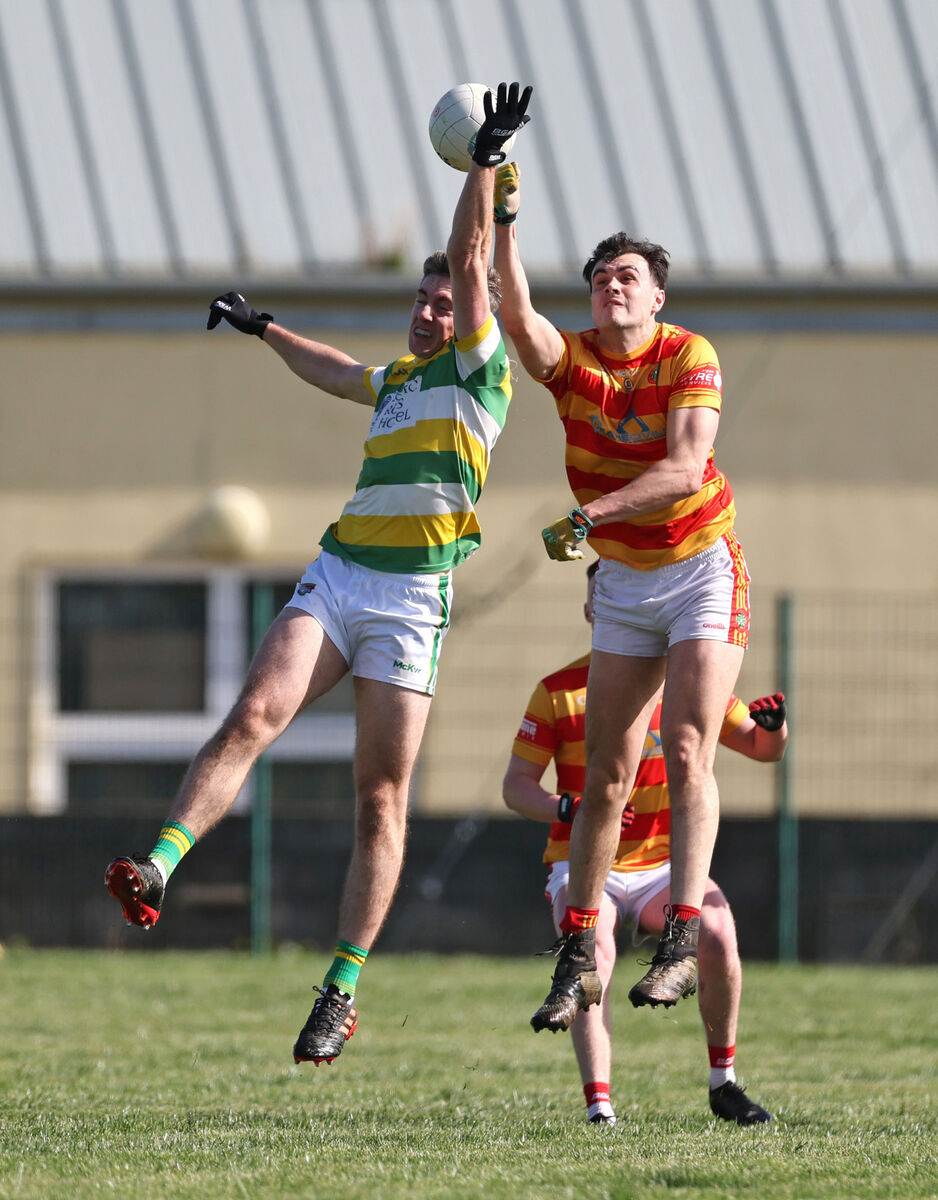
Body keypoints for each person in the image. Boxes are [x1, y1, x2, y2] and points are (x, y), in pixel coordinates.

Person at [104, 83, 533, 1066]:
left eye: (442, 300)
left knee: (378, 798)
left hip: (412, 603)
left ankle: (339, 989)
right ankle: (158, 868)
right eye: (418, 299)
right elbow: (337, 370)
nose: (431, 307)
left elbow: (474, 264)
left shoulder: (480, 372)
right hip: (341, 577)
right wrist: (264, 331)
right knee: (254, 713)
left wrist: (484, 164)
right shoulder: (393, 382)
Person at [492, 165, 750, 1029]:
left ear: (658, 295)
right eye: (601, 278)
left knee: (685, 746)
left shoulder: (689, 355)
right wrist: (503, 212)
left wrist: (589, 513)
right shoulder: (574, 363)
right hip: (626, 581)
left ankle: (681, 933)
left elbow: (683, 468)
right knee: (604, 775)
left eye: (627, 276)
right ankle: (579, 951)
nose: (611, 286)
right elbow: (518, 319)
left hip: (700, 565)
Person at [503, 561, 787, 1126]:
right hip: (586, 868)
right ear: (597, 610)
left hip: (662, 868)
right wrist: (568, 807)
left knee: (718, 928)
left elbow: (763, 749)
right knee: (596, 950)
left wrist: (776, 726)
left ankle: (723, 1083)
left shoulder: (694, 685)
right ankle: (599, 1107)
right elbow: (516, 788)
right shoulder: (560, 692)